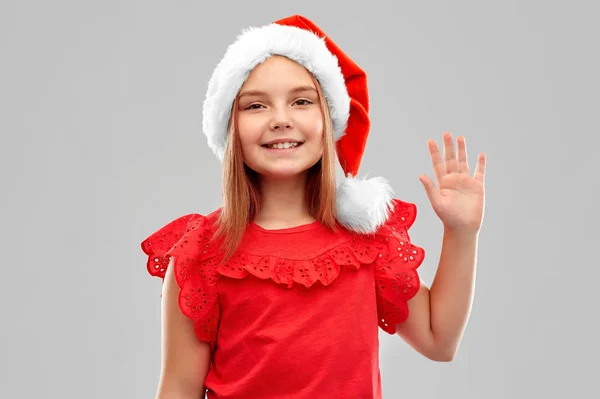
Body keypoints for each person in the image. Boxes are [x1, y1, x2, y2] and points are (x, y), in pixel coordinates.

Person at [141, 14, 486, 399]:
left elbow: (439, 340)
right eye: (256, 106)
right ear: (230, 126)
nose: (281, 120)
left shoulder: (367, 241)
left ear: (329, 120)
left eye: (301, 101)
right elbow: (178, 387)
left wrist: (462, 233)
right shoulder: (201, 253)